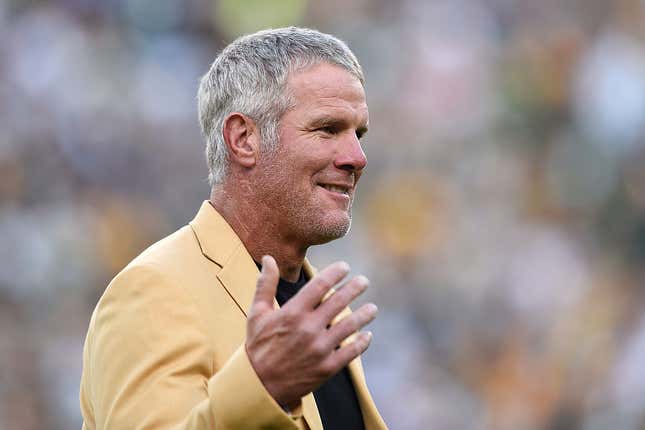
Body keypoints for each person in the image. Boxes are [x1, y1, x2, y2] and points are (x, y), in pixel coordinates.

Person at [80, 27, 387, 430]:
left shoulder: (321, 311)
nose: (357, 157)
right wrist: (261, 388)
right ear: (243, 139)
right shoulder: (154, 290)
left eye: (358, 134)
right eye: (328, 129)